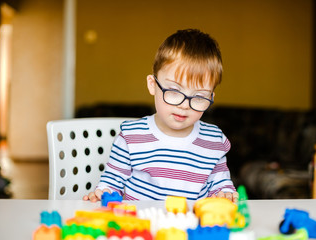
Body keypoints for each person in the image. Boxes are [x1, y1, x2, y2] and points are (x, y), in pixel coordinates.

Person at [83, 29, 238, 202]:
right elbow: (111, 183)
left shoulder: (214, 141)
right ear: (153, 85)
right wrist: (102, 194)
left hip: (191, 226)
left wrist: (225, 193)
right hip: (142, 225)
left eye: (199, 97)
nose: (184, 105)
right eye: (173, 91)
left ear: (211, 98)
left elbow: (221, 185)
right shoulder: (131, 136)